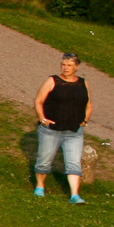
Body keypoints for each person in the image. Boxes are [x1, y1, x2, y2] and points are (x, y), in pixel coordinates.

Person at [32, 52, 93, 204]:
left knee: (74, 162)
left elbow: (89, 105)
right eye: (63, 65)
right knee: (44, 160)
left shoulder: (83, 83)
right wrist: (42, 118)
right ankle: (40, 186)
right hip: (52, 130)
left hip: (74, 131)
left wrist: (85, 121)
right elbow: (39, 101)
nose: (66, 68)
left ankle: (74, 195)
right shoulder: (52, 81)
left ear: (77, 67)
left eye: (69, 65)